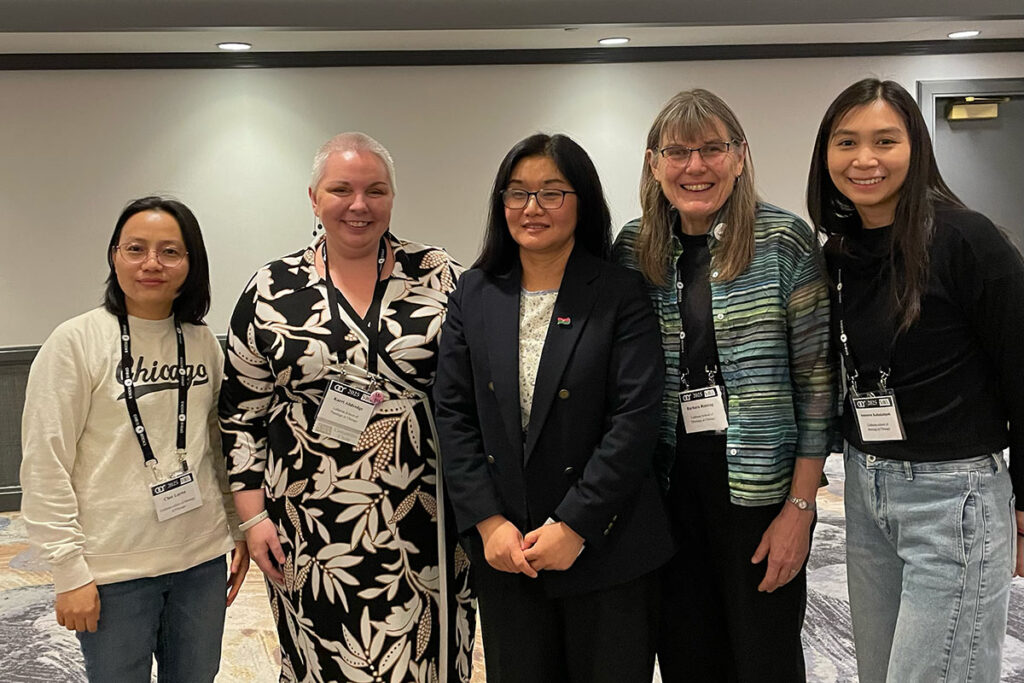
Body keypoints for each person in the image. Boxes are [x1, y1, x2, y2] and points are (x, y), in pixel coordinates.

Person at [219, 132, 475, 683]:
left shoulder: (440, 274)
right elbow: (240, 412)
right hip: (309, 524)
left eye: (375, 191)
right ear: (314, 197)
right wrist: (253, 518)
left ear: (391, 198)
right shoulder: (271, 288)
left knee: (428, 655)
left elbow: (480, 391)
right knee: (323, 657)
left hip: (426, 518)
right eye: (342, 189)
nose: (359, 205)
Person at [612, 89, 835, 682]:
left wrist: (801, 510)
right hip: (664, 490)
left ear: (739, 156)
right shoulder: (635, 249)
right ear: (654, 162)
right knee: (686, 653)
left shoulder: (783, 241)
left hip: (760, 490)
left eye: (713, 148)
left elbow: (818, 384)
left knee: (763, 656)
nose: (696, 166)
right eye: (678, 151)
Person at [807, 77, 1024, 682]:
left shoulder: (965, 240)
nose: (864, 159)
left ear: (917, 148)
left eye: (885, 140)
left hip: (954, 497)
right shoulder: (839, 253)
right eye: (846, 142)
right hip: (864, 486)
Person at [434, 133, 673, 683]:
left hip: (608, 547)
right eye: (517, 193)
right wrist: (488, 522)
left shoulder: (619, 291)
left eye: (551, 192)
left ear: (582, 200)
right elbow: (453, 414)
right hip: (509, 552)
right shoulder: (474, 292)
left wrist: (575, 524)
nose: (532, 208)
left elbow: (634, 420)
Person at [20, 196, 249, 682]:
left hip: (200, 562)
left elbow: (216, 445)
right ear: (113, 255)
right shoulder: (75, 342)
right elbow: (45, 462)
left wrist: (236, 527)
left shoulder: (203, 341)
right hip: (114, 571)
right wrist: (68, 570)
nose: (152, 264)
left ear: (191, 263)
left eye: (170, 252)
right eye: (136, 249)